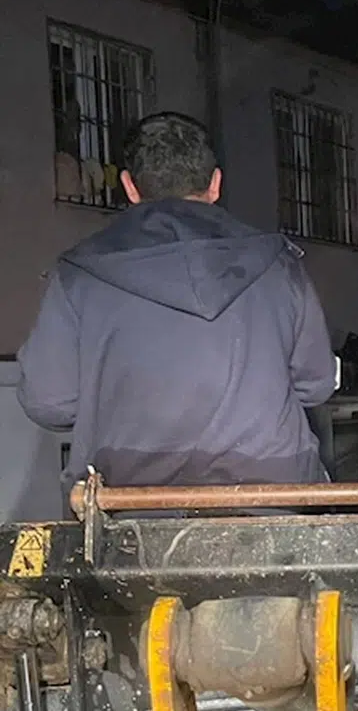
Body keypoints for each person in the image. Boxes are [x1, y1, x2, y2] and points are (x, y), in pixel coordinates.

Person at [18, 112, 338, 494]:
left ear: (129, 187)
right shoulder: (279, 263)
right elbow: (316, 385)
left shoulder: (78, 273)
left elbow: (50, 403)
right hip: (271, 492)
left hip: (128, 498)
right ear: (216, 183)